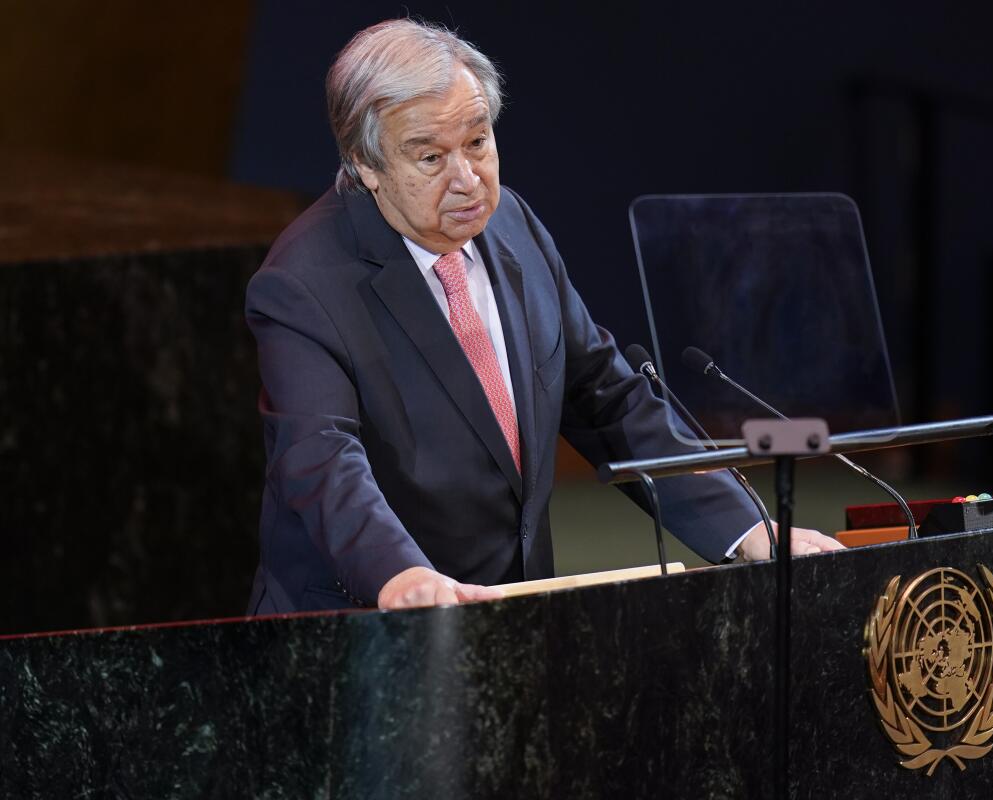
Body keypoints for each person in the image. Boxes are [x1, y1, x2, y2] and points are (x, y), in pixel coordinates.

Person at [244, 18, 842, 615]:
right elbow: (321, 460)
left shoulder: (513, 227)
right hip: (358, 630)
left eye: (478, 143)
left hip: (514, 613)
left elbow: (607, 398)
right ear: (364, 164)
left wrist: (749, 532)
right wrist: (400, 575)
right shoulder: (302, 283)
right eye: (430, 157)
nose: (467, 180)